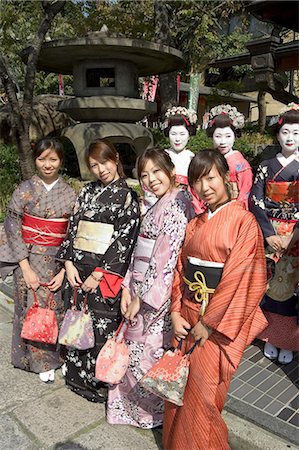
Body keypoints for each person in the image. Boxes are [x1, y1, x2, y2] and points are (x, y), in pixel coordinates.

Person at [163, 150, 267, 450]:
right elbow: (180, 271)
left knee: (205, 397)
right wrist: (175, 313)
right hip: (187, 315)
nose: (205, 187)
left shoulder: (243, 222)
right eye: (197, 181)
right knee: (179, 389)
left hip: (217, 326)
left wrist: (208, 324)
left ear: (225, 177)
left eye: (211, 178)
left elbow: (240, 278)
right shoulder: (195, 224)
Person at [107, 147, 194, 428]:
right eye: (144, 175)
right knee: (132, 352)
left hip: (158, 294)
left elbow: (164, 259)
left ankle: (150, 414)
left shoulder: (179, 203)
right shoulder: (157, 203)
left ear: (170, 170)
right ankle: (132, 410)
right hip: (139, 287)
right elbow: (138, 253)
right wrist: (126, 289)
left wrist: (140, 297)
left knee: (147, 354)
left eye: (157, 171)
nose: (151, 179)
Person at [56, 138, 140, 402]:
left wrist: (99, 273)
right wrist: (68, 262)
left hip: (103, 273)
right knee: (76, 321)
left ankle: (95, 379)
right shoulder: (86, 192)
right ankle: (75, 374)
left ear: (115, 158)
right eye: (94, 165)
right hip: (77, 270)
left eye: (104, 162)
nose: (101, 169)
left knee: (100, 326)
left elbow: (125, 239)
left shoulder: (128, 196)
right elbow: (73, 227)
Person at [0, 138, 76, 383]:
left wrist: (66, 269)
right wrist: (24, 265)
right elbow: (12, 225)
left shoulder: (69, 193)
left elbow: (73, 231)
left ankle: (59, 357)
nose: (47, 164)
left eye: (53, 159)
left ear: (61, 161)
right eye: (42, 159)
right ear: (35, 160)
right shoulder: (25, 189)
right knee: (31, 308)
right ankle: (37, 360)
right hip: (29, 257)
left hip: (58, 260)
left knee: (58, 308)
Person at [249, 103, 299, 364]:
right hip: (270, 232)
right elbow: (255, 200)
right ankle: (267, 335)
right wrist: (268, 233)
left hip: (296, 236)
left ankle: (287, 339)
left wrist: (293, 236)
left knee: (289, 289)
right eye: (286, 132)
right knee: (267, 287)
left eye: (296, 133)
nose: (290, 138)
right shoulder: (266, 165)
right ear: (278, 135)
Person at [206, 104, 252, 208]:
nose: (223, 142)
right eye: (218, 136)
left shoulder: (241, 165)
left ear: (235, 136)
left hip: (233, 211)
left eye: (228, 136)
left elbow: (245, 192)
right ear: (211, 137)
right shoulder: (207, 160)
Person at [164, 107, 204, 214]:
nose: (178, 139)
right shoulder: (162, 156)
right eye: (173, 134)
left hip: (188, 204)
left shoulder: (192, 158)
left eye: (182, 134)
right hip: (164, 202)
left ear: (189, 135)